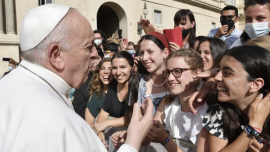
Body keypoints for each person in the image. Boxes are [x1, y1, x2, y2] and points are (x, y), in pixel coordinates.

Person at [0, 4, 154, 152]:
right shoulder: (52, 123)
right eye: (88, 47)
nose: (95, 54)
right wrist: (133, 141)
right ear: (57, 55)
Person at [198, 45, 270, 151]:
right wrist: (253, 127)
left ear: (256, 84)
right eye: (218, 70)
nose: (217, 78)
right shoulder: (219, 111)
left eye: (227, 73)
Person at [92, 51, 134, 146]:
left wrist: (107, 123)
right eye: (114, 68)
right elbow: (102, 114)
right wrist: (100, 132)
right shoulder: (113, 88)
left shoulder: (138, 86)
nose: (118, 72)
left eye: (123, 67)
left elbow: (133, 117)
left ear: (132, 67)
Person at [72, 46, 102, 119]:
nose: (94, 62)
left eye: (96, 58)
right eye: (91, 59)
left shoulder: (109, 79)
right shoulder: (83, 81)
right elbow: (78, 109)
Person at [85, 58, 113, 126]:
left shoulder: (123, 94)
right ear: (98, 72)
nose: (106, 72)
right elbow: (89, 127)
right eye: (102, 68)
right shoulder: (96, 98)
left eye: (110, 69)